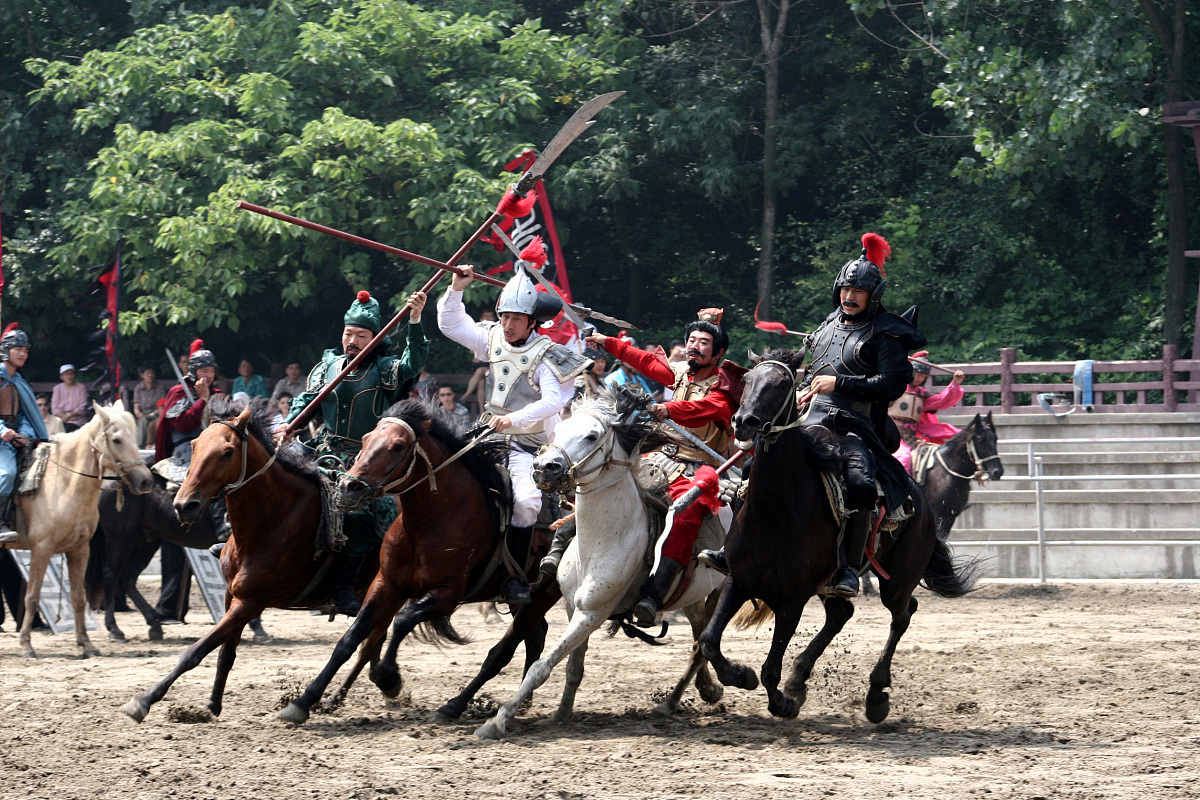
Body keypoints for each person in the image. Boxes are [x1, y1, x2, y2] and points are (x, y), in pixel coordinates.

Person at [774, 233, 924, 598]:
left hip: (854, 425)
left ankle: (846, 569)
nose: (849, 296)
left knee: (859, 483)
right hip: (810, 418)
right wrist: (804, 388)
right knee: (757, 466)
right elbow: (815, 372)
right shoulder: (827, 325)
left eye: (858, 291)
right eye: (845, 289)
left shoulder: (886, 333)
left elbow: (890, 384)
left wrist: (839, 381)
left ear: (874, 296)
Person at [438, 264, 589, 606]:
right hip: (486, 437)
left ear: (532, 321)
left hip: (527, 446)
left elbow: (553, 401)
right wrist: (456, 288)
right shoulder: (491, 336)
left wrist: (514, 420)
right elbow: (450, 324)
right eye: (504, 316)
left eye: (516, 319)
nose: (507, 325)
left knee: (525, 503)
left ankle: (514, 578)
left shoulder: (549, 355)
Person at [585, 309, 743, 626]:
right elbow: (644, 360)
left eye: (704, 342)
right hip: (658, 456)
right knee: (602, 474)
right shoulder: (681, 373)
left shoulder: (724, 385)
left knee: (688, 510)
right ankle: (563, 550)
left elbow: (706, 409)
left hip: (699, 466)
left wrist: (668, 408)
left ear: (719, 352)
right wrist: (606, 341)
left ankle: (653, 596)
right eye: (692, 340)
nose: (694, 346)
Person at [283, 289, 428, 617]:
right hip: (323, 446)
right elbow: (306, 400)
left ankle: (345, 588)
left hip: (365, 459)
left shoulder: (387, 369)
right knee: (270, 476)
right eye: (349, 333)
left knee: (358, 515)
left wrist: (415, 320)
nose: (353, 340)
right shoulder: (327, 366)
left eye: (361, 335)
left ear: (375, 339)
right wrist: (290, 423)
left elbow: (413, 364)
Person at [153, 339, 225, 623]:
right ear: (194, 372)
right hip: (183, 451)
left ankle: (222, 524)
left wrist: (209, 397)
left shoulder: (218, 394)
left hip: (208, 450)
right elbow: (182, 424)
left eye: (211, 371)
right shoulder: (176, 392)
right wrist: (201, 400)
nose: (207, 376)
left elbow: (220, 425)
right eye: (202, 371)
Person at [0, 326, 50, 543]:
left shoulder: (19, 381)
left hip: (16, 439)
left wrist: (24, 434)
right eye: (17, 349)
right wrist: (3, 430)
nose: (23, 354)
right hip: (1, 439)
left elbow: (25, 416)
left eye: (26, 350)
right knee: (7, 474)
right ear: (6, 351)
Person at [889, 351, 966, 474]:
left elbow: (941, 401)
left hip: (911, 438)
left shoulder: (921, 394)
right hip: (890, 436)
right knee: (904, 458)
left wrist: (955, 384)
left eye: (923, 377)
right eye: (917, 375)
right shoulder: (895, 387)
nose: (919, 379)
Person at [132, 366, 166, 448]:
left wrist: (155, 412)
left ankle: (141, 446)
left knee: (145, 420)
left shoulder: (160, 387)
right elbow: (136, 406)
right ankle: (140, 446)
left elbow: (162, 405)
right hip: (143, 415)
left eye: (152, 373)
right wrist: (138, 413)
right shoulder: (138, 388)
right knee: (143, 420)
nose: (150, 375)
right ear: (142, 375)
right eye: (148, 373)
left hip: (156, 414)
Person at [51, 364, 89, 431]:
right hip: (61, 419)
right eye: (66, 374)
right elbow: (54, 408)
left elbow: (81, 407)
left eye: (71, 374)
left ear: (75, 375)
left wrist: (68, 416)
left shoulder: (81, 387)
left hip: (77, 419)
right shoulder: (57, 388)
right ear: (61, 377)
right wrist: (65, 417)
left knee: (68, 429)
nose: (69, 376)